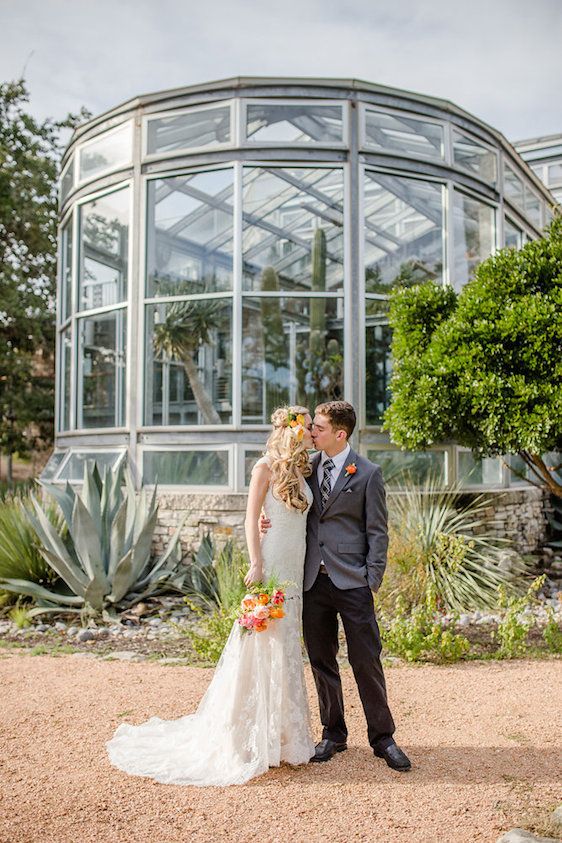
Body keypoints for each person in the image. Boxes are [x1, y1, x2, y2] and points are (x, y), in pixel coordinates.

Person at [106, 405, 315, 786]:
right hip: (271, 564)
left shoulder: (305, 468)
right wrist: (256, 563)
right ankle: (247, 738)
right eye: (304, 429)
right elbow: (250, 518)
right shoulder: (264, 467)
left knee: (286, 647)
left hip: (296, 567)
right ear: (289, 430)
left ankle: (284, 739)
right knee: (260, 646)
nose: (309, 436)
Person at [261, 400, 411, 772]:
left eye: (320, 428)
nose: (312, 432)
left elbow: (378, 531)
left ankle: (383, 738)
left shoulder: (368, 473)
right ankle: (334, 734)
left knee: (366, 659)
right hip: (312, 580)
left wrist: (371, 577)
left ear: (339, 434)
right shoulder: (304, 468)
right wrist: (267, 519)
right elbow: (279, 499)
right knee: (321, 660)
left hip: (353, 581)